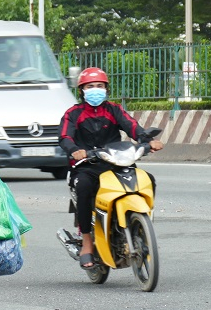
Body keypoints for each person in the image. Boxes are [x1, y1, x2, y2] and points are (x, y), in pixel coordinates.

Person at [58, 67, 164, 269]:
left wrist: (147, 141)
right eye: (90, 86)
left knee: (148, 179)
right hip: (86, 166)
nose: (95, 90)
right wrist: (75, 150)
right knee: (84, 188)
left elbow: (132, 127)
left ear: (106, 89)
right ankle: (87, 243)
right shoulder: (74, 113)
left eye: (99, 86)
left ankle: (141, 224)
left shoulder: (114, 110)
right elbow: (65, 136)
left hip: (116, 163)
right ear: (82, 90)